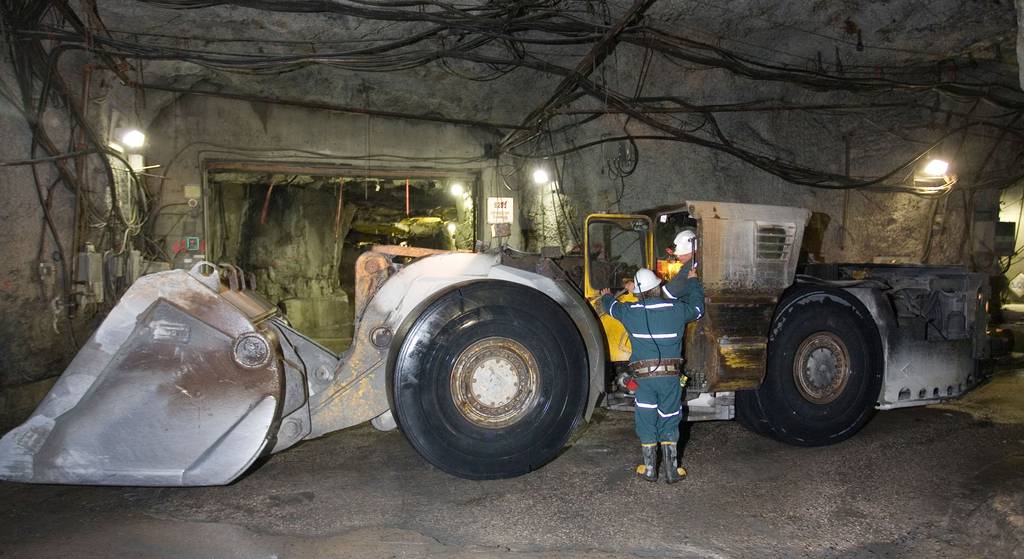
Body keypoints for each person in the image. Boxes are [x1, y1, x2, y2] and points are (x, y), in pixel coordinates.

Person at [600, 229, 704, 484]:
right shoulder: (677, 310)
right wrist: (693, 282)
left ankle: (648, 469)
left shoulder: (631, 312)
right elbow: (699, 310)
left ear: (637, 293)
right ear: (659, 287)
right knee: (670, 418)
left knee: (646, 418)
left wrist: (604, 295)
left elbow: (610, 307)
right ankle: (672, 470)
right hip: (670, 379)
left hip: (644, 380)